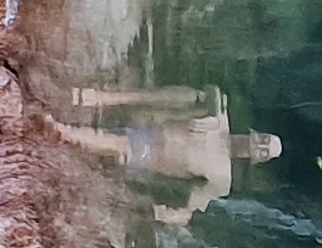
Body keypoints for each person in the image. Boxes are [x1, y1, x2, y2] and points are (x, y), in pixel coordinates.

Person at [41, 86, 281, 220]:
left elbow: (191, 209)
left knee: (121, 145)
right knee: (195, 99)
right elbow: (211, 94)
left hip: (147, 156)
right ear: (256, 133)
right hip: (153, 123)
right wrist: (207, 102)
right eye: (263, 140)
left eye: (262, 151)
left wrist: (164, 215)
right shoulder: (217, 115)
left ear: (256, 160)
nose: (257, 146)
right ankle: (102, 98)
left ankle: (64, 132)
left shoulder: (221, 178)